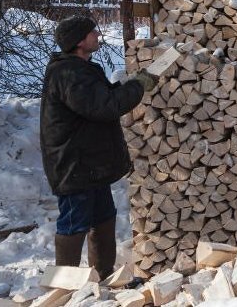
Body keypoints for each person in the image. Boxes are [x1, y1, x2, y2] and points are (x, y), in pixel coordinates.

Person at [40, 15, 159, 279]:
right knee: (73, 222)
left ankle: (103, 277)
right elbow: (104, 106)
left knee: (103, 217)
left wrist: (129, 86)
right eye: (92, 32)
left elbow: (100, 98)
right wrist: (138, 87)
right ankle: (63, 286)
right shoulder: (69, 74)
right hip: (74, 163)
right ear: (79, 42)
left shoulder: (80, 69)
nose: (97, 35)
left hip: (89, 163)